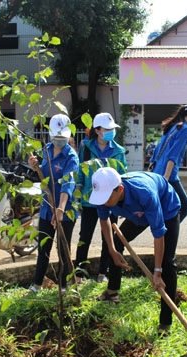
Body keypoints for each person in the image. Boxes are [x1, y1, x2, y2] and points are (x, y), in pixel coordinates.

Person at [89, 167, 181, 335]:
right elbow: (104, 220)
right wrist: (112, 250)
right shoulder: (105, 195)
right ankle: (112, 292)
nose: (102, 202)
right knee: (116, 243)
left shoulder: (144, 193)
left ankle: (165, 322)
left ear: (120, 190)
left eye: (106, 198)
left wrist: (157, 271)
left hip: (165, 207)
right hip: (136, 212)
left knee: (167, 263)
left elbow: (159, 234)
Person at [27, 114, 79, 294]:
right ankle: (36, 284)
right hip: (46, 209)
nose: (58, 141)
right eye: (56, 137)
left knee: (64, 250)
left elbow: (68, 184)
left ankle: (64, 288)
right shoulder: (46, 150)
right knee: (43, 248)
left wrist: (61, 209)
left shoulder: (71, 157)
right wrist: (34, 166)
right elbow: (42, 177)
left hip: (65, 210)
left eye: (62, 138)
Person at [74, 113, 127, 283]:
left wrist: (122, 203)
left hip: (111, 200)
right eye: (107, 129)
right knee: (85, 237)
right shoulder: (87, 148)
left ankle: (103, 273)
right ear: (97, 130)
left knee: (108, 238)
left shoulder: (119, 151)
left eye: (112, 129)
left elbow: (123, 176)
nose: (111, 132)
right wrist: (78, 192)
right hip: (90, 200)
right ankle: (79, 273)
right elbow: (81, 171)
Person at [150, 102, 187, 222]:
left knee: (161, 206)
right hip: (168, 176)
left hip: (157, 172)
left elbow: (157, 150)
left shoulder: (173, 126)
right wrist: (166, 177)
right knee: (185, 207)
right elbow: (173, 155)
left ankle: (164, 231)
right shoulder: (184, 129)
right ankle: (168, 232)